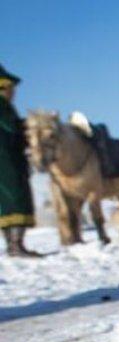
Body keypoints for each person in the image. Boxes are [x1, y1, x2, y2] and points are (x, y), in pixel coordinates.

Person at [0, 64, 39, 258]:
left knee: (8, 202)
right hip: (7, 162)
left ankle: (13, 245)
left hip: (9, 160)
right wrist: (27, 128)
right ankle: (16, 245)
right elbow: (11, 129)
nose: (13, 93)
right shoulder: (3, 107)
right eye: (11, 89)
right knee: (16, 200)